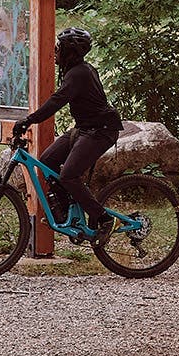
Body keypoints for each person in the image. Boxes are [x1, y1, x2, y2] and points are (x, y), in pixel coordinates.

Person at [13, 26, 121, 238]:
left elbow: (57, 101)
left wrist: (29, 120)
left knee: (69, 175)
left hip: (100, 131)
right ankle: (65, 212)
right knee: (47, 160)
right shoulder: (76, 71)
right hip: (84, 128)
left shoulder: (79, 73)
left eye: (59, 48)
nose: (55, 52)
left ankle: (105, 219)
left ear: (69, 52)